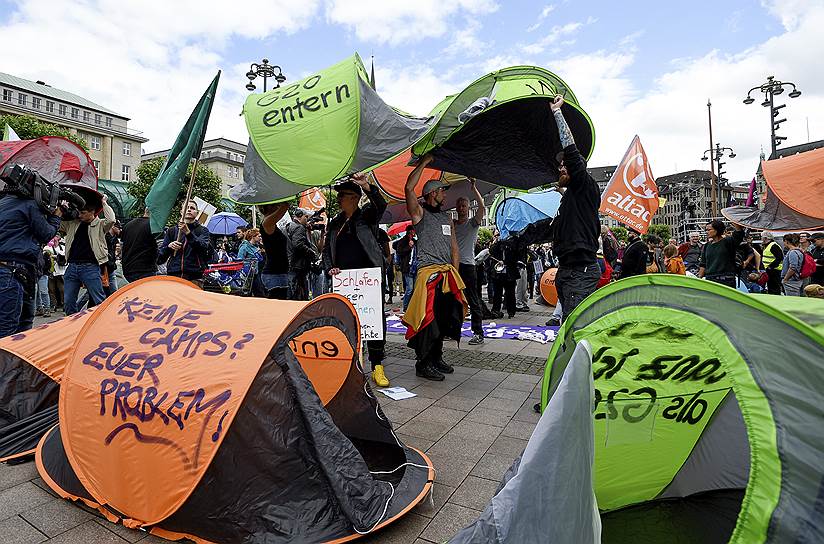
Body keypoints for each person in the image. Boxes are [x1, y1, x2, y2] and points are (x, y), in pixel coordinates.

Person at [402, 155, 467, 381]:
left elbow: (454, 248)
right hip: (428, 275)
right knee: (427, 320)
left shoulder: (447, 218)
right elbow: (409, 187)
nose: (445, 194)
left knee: (443, 318)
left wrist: (455, 272)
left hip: (446, 275)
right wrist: (424, 163)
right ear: (432, 194)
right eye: (441, 191)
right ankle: (423, 363)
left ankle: (436, 357)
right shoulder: (420, 214)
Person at [323, 174, 390, 386]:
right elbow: (326, 251)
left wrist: (367, 186)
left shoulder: (367, 217)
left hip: (368, 280)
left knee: (373, 322)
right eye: (340, 195)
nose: (340, 199)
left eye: (343, 195)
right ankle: (350, 363)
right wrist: (329, 268)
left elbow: (381, 204)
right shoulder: (335, 224)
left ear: (354, 198)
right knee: (346, 321)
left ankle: (377, 366)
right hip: (345, 283)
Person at [545, 94, 601, 323]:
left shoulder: (585, 186)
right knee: (569, 324)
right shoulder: (569, 200)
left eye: (564, 165)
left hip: (581, 272)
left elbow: (570, 150)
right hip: (567, 270)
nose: (560, 169)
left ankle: (575, 359)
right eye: (559, 166)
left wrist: (558, 112)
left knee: (574, 325)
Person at [0, 190, 62, 335]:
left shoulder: (2, 203)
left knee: (7, 325)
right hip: (15, 271)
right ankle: (11, 357)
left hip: (11, 270)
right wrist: (56, 216)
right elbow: (46, 233)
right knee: (13, 328)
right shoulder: (29, 205)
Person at [62, 195, 116, 315]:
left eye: (83, 213)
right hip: (72, 266)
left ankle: (99, 325)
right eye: (79, 212)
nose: (80, 215)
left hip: (90, 267)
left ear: (92, 212)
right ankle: (73, 326)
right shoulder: (73, 224)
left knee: (99, 300)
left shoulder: (100, 225)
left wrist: (104, 203)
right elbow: (58, 222)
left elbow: (111, 219)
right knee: (68, 302)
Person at [454, 182, 487, 345]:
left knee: (473, 299)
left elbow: (482, 208)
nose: (461, 208)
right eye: (459, 205)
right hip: (453, 267)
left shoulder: (472, 223)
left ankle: (478, 333)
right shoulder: (452, 225)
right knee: (453, 300)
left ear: (468, 208)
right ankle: (452, 330)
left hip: (468, 266)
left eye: (464, 205)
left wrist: (474, 189)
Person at [157, 200, 211, 284]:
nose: (189, 210)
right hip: (173, 276)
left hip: (195, 277)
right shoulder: (172, 231)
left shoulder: (203, 230)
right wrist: (169, 247)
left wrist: (188, 234)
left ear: (197, 213)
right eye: (186, 208)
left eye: (192, 208)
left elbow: (203, 248)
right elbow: (160, 258)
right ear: (181, 212)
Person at [698, 220, 745, 288]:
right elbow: (703, 264)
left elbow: (738, 235)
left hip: (726, 280)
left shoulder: (728, 241)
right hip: (710, 280)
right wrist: (699, 279)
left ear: (717, 230)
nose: (706, 232)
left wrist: (736, 223)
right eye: (706, 230)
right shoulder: (707, 246)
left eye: (709, 230)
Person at [259, 203, 290, 299]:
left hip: (279, 273)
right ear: (267, 207)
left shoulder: (271, 224)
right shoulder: (266, 223)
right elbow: (285, 207)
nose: (277, 206)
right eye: (274, 204)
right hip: (273, 274)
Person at [285, 209, 317, 300]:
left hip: (291, 264)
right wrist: (311, 253)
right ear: (300, 215)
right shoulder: (299, 227)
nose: (307, 219)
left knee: (292, 292)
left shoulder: (288, 226)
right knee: (299, 294)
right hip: (298, 265)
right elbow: (298, 244)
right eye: (306, 217)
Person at [121, 208, 158, 282]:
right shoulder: (154, 226)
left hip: (128, 269)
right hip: (146, 270)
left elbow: (122, 246)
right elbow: (160, 248)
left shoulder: (128, 225)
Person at [393, 226, 416, 310]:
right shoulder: (402, 241)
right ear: (410, 232)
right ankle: (406, 307)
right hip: (407, 268)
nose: (414, 232)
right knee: (409, 289)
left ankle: (412, 306)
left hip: (414, 268)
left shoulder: (415, 241)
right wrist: (409, 247)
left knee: (414, 289)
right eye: (413, 231)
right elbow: (399, 252)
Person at [237, 228, 265, 296]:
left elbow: (260, 260)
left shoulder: (257, 247)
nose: (261, 238)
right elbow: (239, 260)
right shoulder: (244, 247)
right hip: (247, 275)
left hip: (255, 273)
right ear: (253, 237)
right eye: (259, 236)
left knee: (259, 292)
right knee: (249, 293)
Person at [103, 222, 121, 297]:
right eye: (118, 227)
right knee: (98, 292)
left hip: (111, 268)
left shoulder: (115, 238)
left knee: (114, 292)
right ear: (113, 227)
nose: (120, 229)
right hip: (104, 268)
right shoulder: (105, 237)